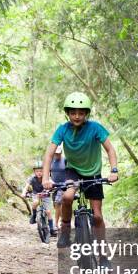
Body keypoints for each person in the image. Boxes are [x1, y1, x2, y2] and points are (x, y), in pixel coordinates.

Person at [42, 92, 118, 248]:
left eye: (81, 113)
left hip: (93, 173)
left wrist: (114, 170)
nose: (76, 116)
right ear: (68, 114)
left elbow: (110, 149)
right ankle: (65, 231)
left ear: (86, 114)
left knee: (97, 216)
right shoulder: (62, 129)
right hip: (73, 171)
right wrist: (45, 178)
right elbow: (49, 154)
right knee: (67, 197)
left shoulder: (95, 128)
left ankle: (103, 254)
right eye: (73, 113)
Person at [21, 161, 57, 236]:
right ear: (34, 172)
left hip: (45, 195)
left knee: (48, 212)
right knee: (35, 202)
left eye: (41, 171)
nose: (39, 173)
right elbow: (26, 186)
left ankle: (51, 229)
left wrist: (54, 186)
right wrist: (24, 193)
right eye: (37, 171)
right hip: (36, 194)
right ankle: (34, 216)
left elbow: (52, 183)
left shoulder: (47, 178)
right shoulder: (32, 178)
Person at [50, 144, 66, 231]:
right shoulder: (51, 160)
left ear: (61, 152)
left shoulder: (65, 160)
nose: (57, 155)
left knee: (58, 202)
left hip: (63, 186)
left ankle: (56, 224)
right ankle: (63, 220)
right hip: (53, 186)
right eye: (56, 153)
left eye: (59, 153)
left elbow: (70, 171)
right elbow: (47, 172)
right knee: (56, 205)